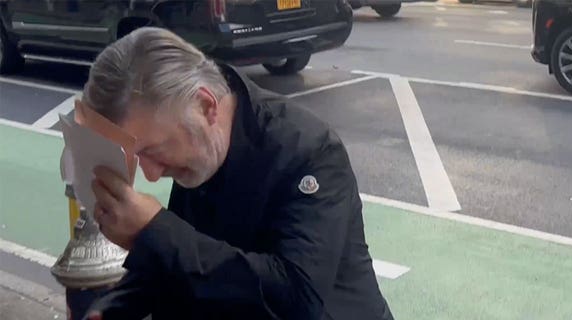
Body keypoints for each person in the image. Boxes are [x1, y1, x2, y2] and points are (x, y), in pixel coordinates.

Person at [84, 27, 393, 320]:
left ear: (206, 106)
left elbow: (297, 298)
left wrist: (154, 231)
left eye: (153, 151)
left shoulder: (308, 150)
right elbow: (187, 261)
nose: (151, 174)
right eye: (138, 157)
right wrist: (115, 307)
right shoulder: (197, 150)